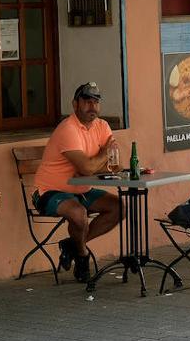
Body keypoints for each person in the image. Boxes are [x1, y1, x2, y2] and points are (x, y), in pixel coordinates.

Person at [33, 82, 123, 282]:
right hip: (49, 192)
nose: (92, 106)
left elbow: (116, 165)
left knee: (119, 207)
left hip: (81, 190)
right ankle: (82, 256)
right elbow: (88, 168)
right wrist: (103, 154)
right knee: (78, 213)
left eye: (96, 102)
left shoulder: (102, 126)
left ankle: (72, 245)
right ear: (75, 104)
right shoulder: (68, 128)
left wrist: (97, 162)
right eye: (87, 101)